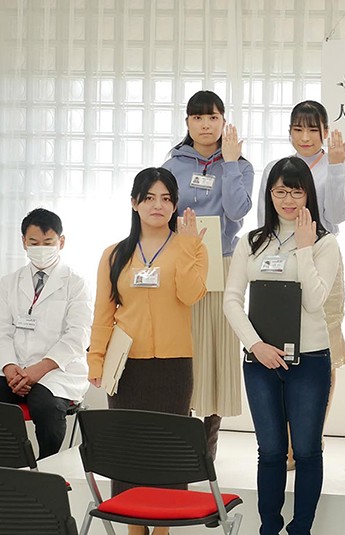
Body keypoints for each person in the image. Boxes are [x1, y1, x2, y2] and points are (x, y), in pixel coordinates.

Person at [88, 168, 208, 535]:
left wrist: (187, 247)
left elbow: (190, 295)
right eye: (150, 197)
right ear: (134, 203)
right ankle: (132, 527)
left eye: (166, 198)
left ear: (175, 205)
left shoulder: (193, 246)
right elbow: (103, 312)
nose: (158, 205)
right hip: (126, 367)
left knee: (168, 452)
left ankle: (163, 528)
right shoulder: (114, 255)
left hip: (173, 367)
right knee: (129, 452)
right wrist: (96, 358)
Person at [224, 157, 340, 535]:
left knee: (306, 450)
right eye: (279, 191)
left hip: (309, 359)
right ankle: (269, 528)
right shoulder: (252, 242)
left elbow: (315, 302)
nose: (287, 200)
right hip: (260, 360)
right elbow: (231, 300)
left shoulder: (325, 243)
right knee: (271, 451)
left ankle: (301, 529)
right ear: (269, 194)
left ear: (308, 194)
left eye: (296, 191)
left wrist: (304, 248)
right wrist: (255, 345)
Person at [257, 101, 345, 466]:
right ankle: (283, 440)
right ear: (289, 133)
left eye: (313, 129)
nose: (306, 137)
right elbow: (263, 219)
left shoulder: (337, 164)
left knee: (322, 347)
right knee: (280, 344)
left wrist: (339, 167)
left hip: (322, 256)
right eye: (298, 129)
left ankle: (311, 435)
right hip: (279, 261)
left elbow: (339, 214)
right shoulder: (276, 167)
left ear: (326, 132)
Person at [161, 90, 254, 459]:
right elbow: (161, 214)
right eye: (197, 117)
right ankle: (181, 439)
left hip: (223, 260)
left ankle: (207, 446)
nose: (205, 124)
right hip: (181, 261)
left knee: (217, 351)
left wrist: (229, 163)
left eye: (213, 117)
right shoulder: (172, 165)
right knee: (186, 348)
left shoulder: (240, 166)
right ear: (187, 122)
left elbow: (236, 211)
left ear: (223, 121)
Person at [0, 208, 91, 459]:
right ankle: (11, 463)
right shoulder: (8, 283)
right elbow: (2, 331)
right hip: (15, 369)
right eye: (34, 242)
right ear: (23, 242)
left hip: (57, 371)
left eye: (48, 242)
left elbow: (77, 336)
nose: (41, 248)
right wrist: (10, 367)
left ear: (61, 242)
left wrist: (37, 370)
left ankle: (46, 465)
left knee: (44, 403)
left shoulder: (76, 283)